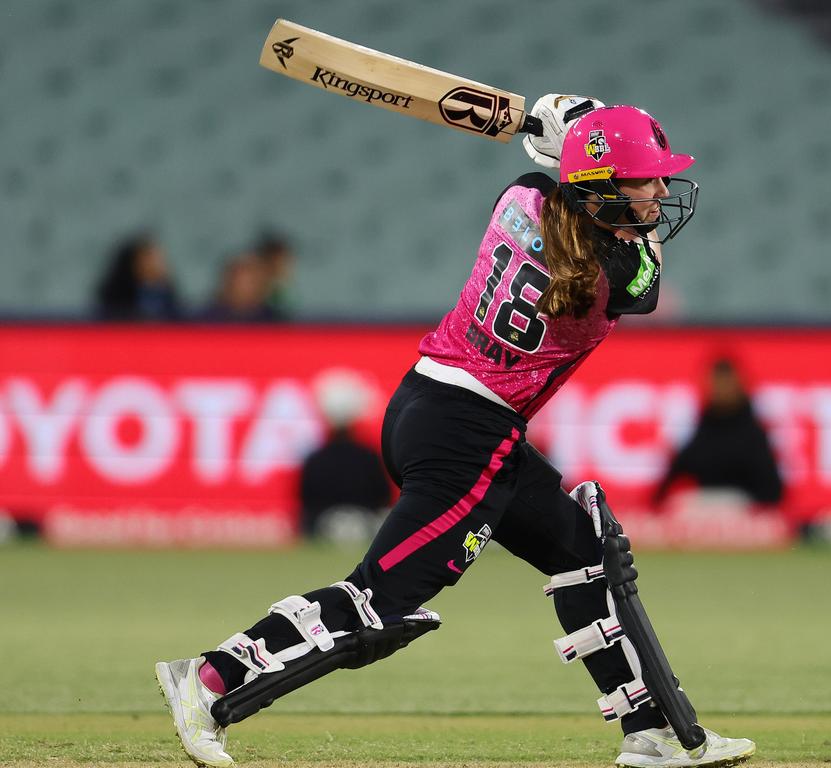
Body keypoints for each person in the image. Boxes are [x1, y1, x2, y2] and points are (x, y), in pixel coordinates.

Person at [156, 97, 754, 768]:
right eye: (647, 179)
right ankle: (210, 683)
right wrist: (578, 148)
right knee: (381, 603)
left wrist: (563, 148)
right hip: (470, 435)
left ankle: (654, 734)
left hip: (427, 398)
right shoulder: (614, 275)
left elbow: (549, 188)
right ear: (604, 189)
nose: (663, 192)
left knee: (581, 549)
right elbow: (643, 277)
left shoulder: (523, 197)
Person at [654, 358, 783, 506]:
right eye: (716, 382)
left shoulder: (753, 435)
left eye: (726, 382)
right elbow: (675, 472)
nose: (720, 389)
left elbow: (773, 491)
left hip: (742, 512)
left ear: (739, 385)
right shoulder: (702, 429)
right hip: (705, 513)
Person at [299, 371, 392, 539]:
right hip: (367, 531)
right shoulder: (369, 457)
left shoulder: (315, 460)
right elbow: (383, 497)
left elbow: (306, 501)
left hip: (321, 533)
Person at [95, 233, 182, 321]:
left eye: (159, 258)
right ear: (134, 263)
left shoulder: (168, 297)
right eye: (150, 258)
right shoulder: (117, 302)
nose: (159, 264)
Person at [200, 252, 282, 322]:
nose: (245, 288)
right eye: (239, 280)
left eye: (252, 281)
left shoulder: (276, 324)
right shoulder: (202, 322)